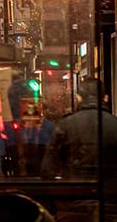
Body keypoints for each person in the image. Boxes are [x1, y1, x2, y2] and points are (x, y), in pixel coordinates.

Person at [42, 79, 117, 221]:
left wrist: (60, 202)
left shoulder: (65, 125)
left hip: (73, 208)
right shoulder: (114, 125)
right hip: (111, 207)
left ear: (79, 98)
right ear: (104, 97)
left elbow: (48, 169)